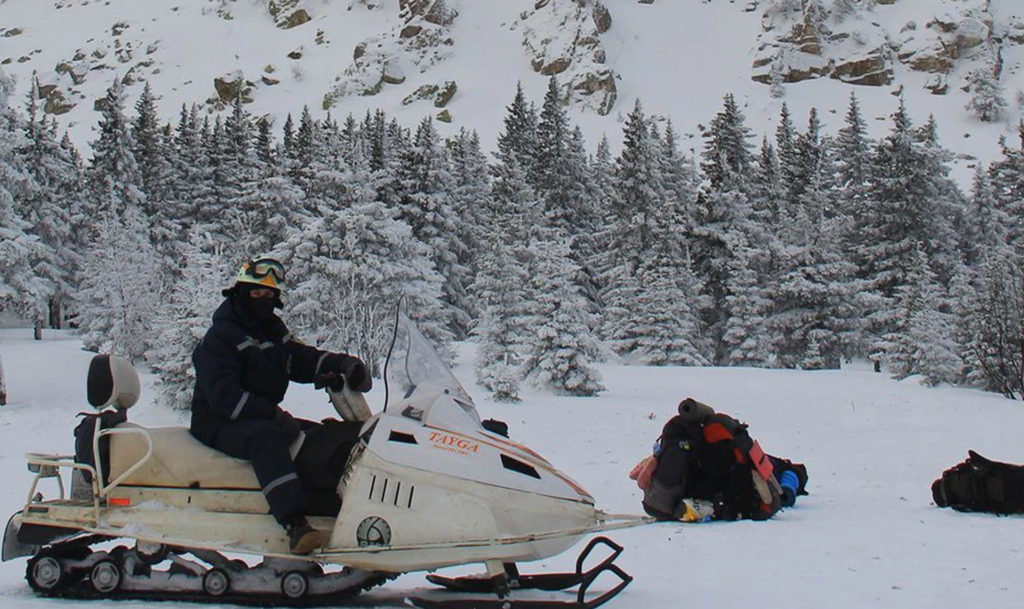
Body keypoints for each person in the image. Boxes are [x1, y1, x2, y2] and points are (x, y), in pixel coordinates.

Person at [190, 254, 371, 554]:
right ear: (240, 293)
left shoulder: (272, 333)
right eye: (256, 292)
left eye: (269, 294)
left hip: (256, 415)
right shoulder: (221, 337)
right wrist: (272, 414)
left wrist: (343, 365)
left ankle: (332, 502)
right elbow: (224, 398)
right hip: (216, 421)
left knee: (320, 437)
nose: (262, 299)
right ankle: (295, 524)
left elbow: (302, 359)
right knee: (268, 438)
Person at [629, 397, 808, 522]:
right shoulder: (777, 465)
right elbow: (784, 490)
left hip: (690, 483)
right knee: (789, 474)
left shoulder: (686, 440)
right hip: (719, 487)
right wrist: (787, 493)